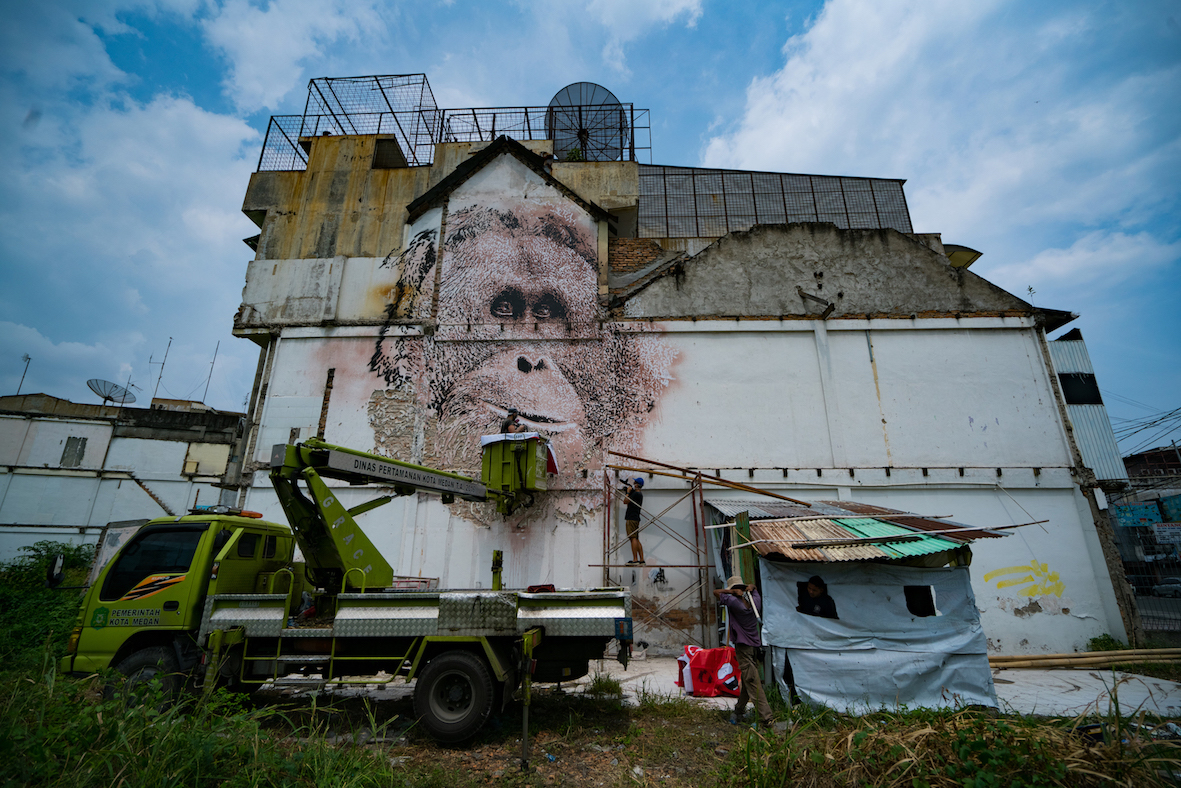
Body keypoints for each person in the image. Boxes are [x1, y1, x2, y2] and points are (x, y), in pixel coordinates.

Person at [714, 575, 772, 728]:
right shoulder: (755, 602)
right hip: (754, 646)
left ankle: (766, 719)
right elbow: (755, 590)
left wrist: (731, 592)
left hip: (743, 648)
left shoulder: (734, 603)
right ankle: (739, 711)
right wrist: (752, 588)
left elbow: (716, 592)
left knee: (752, 681)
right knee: (748, 678)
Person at [622, 477, 645, 565]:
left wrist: (628, 492)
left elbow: (625, 501)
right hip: (635, 518)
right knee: (636, 538)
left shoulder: (636, 494)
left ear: (637, 485)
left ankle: (635, 559)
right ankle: (641, 559)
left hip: (631, 518)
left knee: (632, 538)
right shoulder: (638, 494)